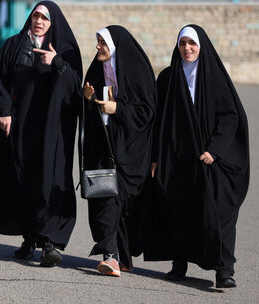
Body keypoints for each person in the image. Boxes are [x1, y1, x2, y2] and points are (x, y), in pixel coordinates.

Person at [0, 0, 82, 267]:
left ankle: (50, 243)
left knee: (49, 181)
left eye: (44, 18)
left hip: (51, 131)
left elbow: (75, 88)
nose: (38, 21)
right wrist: (3, 110)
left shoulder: (65, 49)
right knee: (22, 180)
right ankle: (30, 238)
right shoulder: (15, 44)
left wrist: (57, 63)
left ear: (53, 24)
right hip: (19, 125)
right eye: (36, 16)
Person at [143, 25, 249, 288]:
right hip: (178, 159)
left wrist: (214, 150)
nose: (187, 49)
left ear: (201, 46)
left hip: (211, 160)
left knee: (221, 213)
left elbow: (229, 116)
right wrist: (155, 158)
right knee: (180, 212)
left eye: (192, 43)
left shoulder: (215, 77)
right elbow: (160, 122)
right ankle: (180, 264)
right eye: (183, 44)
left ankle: (224, 270)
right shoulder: (168, 77)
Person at [81, 26, 156, 277]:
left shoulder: (136, 71)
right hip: (102, 147)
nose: (98, 47)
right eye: (98, 42)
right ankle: (110, 257)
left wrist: (117, 109)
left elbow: (147, 111)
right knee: (106, 199)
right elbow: (86, 104)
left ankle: (122, 257)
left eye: (102, 43)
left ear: (114, 46)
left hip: (131, 150)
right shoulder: (95, 69)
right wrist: (88, 98)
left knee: (123, 204)